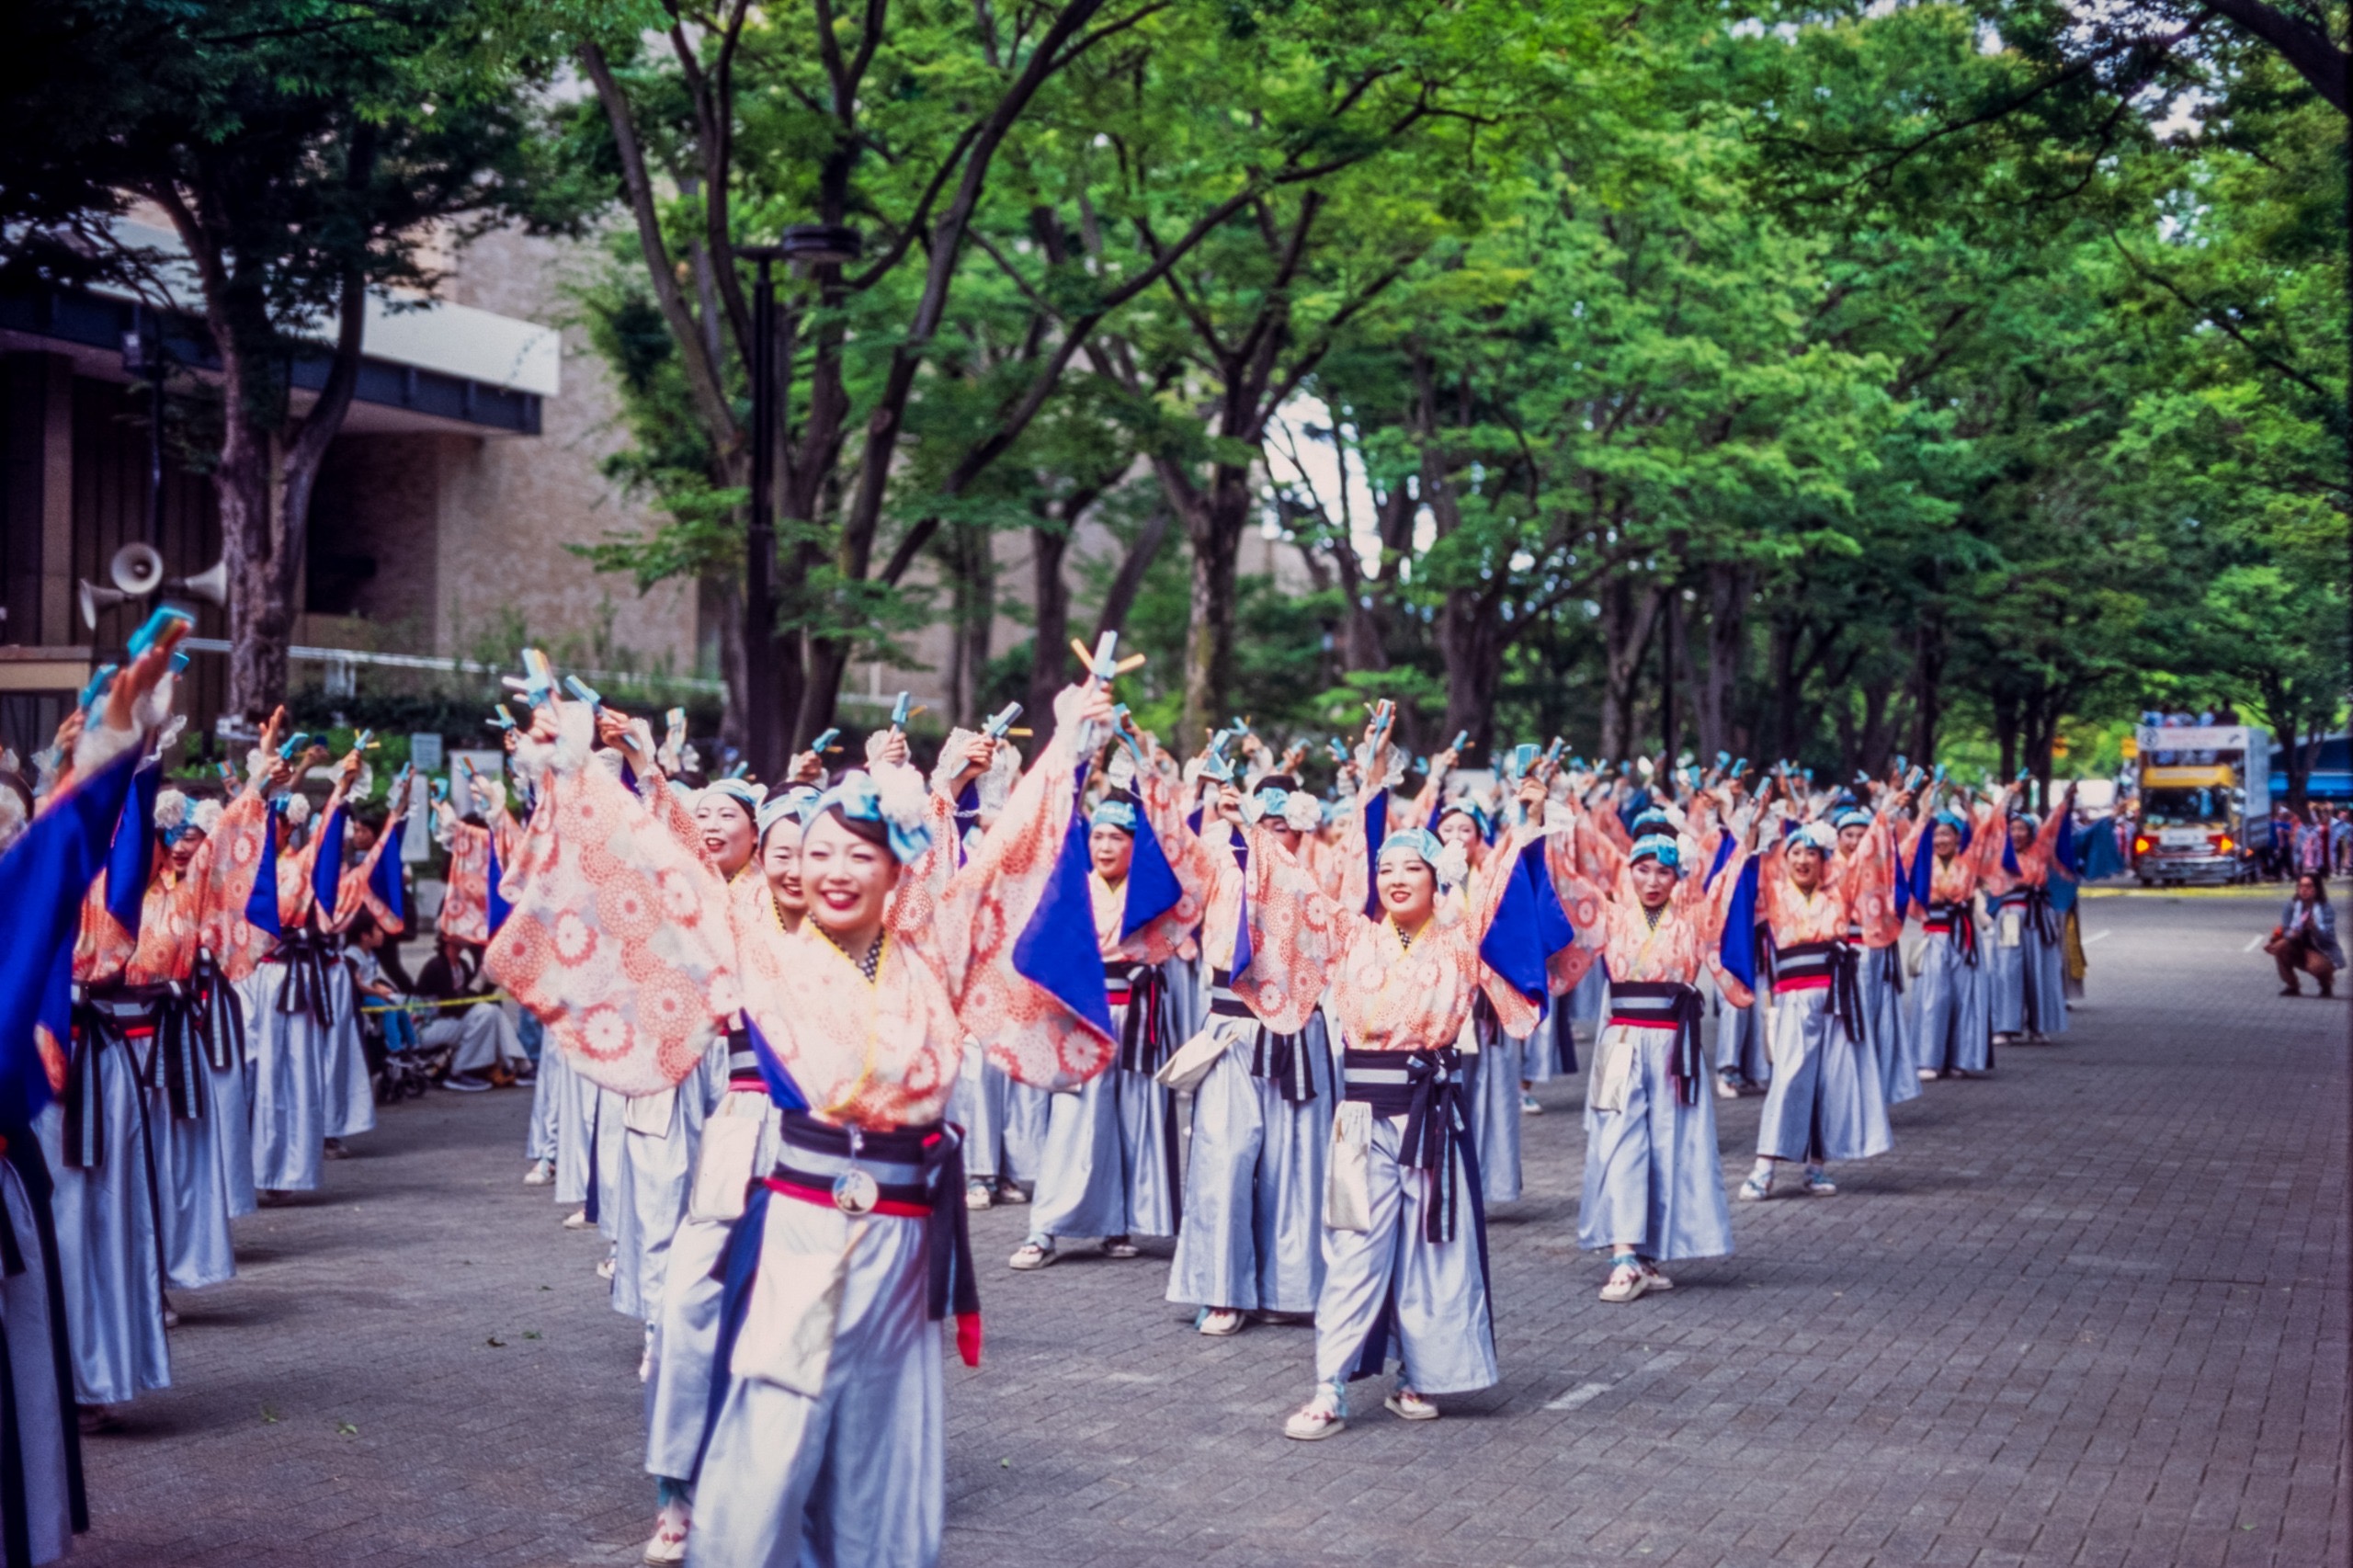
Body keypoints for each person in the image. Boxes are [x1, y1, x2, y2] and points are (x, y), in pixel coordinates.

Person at [488, 674, 1130, 1567]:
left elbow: (1007, 860)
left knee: (885, 1468)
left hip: (905, 1244)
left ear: (898, 868)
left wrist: (1066, 744)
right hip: (799, 1222)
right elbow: (662, 872)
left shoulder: (928, 951)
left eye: (859, 855)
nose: (832, 871)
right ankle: (692, 1505)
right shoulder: (762, 948)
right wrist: (579, 769)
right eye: (818, 852)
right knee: (767, 1458)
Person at [1256, 719, 1550, 1441]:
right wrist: (1248, 824)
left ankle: (1429, 1371)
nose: (1394, 879)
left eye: (1410, 869)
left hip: (1430, 1113)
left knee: (1434, 1242)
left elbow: (1506, 875)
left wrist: (1530, 816)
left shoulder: (1460, 940)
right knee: (1352, 1243)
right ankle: (1328, 1384)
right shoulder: (1352, 935)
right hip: (1360, 1113)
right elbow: (1295, 887)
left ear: (1435, 877)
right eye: (1386, 870)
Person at [1544, 774, 1756, 1300]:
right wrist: (1545, 816)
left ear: (1677, 877)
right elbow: (1563, 878)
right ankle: (1622, 1253)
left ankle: (1649, 1251)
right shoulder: (1611, 917)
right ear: (1628, 871)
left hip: (1672, 1045)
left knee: (1669, 1143)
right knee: (1618, 1141)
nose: (1653, 880)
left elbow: (1731, 882)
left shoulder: (1693, 921)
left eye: (1664, 871)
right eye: (1642, 869)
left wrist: (1740, 825)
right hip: (1619, 1044)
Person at [1154, 759, 1336, 1336]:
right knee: (1223, 1157)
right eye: (1264, 820)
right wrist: (1145, 767)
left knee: (1295, 1162)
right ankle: (1221, 1289)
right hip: (1231, 1026)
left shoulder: (1318, 872)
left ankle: (1291, 1287)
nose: (1271, 830)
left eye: (1282, 823)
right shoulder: (1219, 864)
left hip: (1294, 1030)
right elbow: (1166, 851)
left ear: (1300, 828)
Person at [410, 930, 531, 1090]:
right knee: (484, 1013)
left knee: (491, 1011)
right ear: (447, 937)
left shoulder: (461, 965)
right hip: (425, 1027)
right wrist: (478, 982)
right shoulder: (437, 966)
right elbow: (454, 1008)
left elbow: (474, 1000)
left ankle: (519, 1063)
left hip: (447, 1022)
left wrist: (489, 977)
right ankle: (459, 1071)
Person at [2268, 875, 2340, 997]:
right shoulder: (2291, 905)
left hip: (2319, 949)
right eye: (2301, 886)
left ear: (2317, 889)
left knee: (2318, 967)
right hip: (2297, 944)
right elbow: (2286, 930)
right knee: (2280, 946)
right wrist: (2292, 934)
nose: (2304, 889)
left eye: (2308, 886)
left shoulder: (2325, 908)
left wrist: (2315, 929)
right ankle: (2292, 985)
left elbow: (2328, 937)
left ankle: (2326, 984)